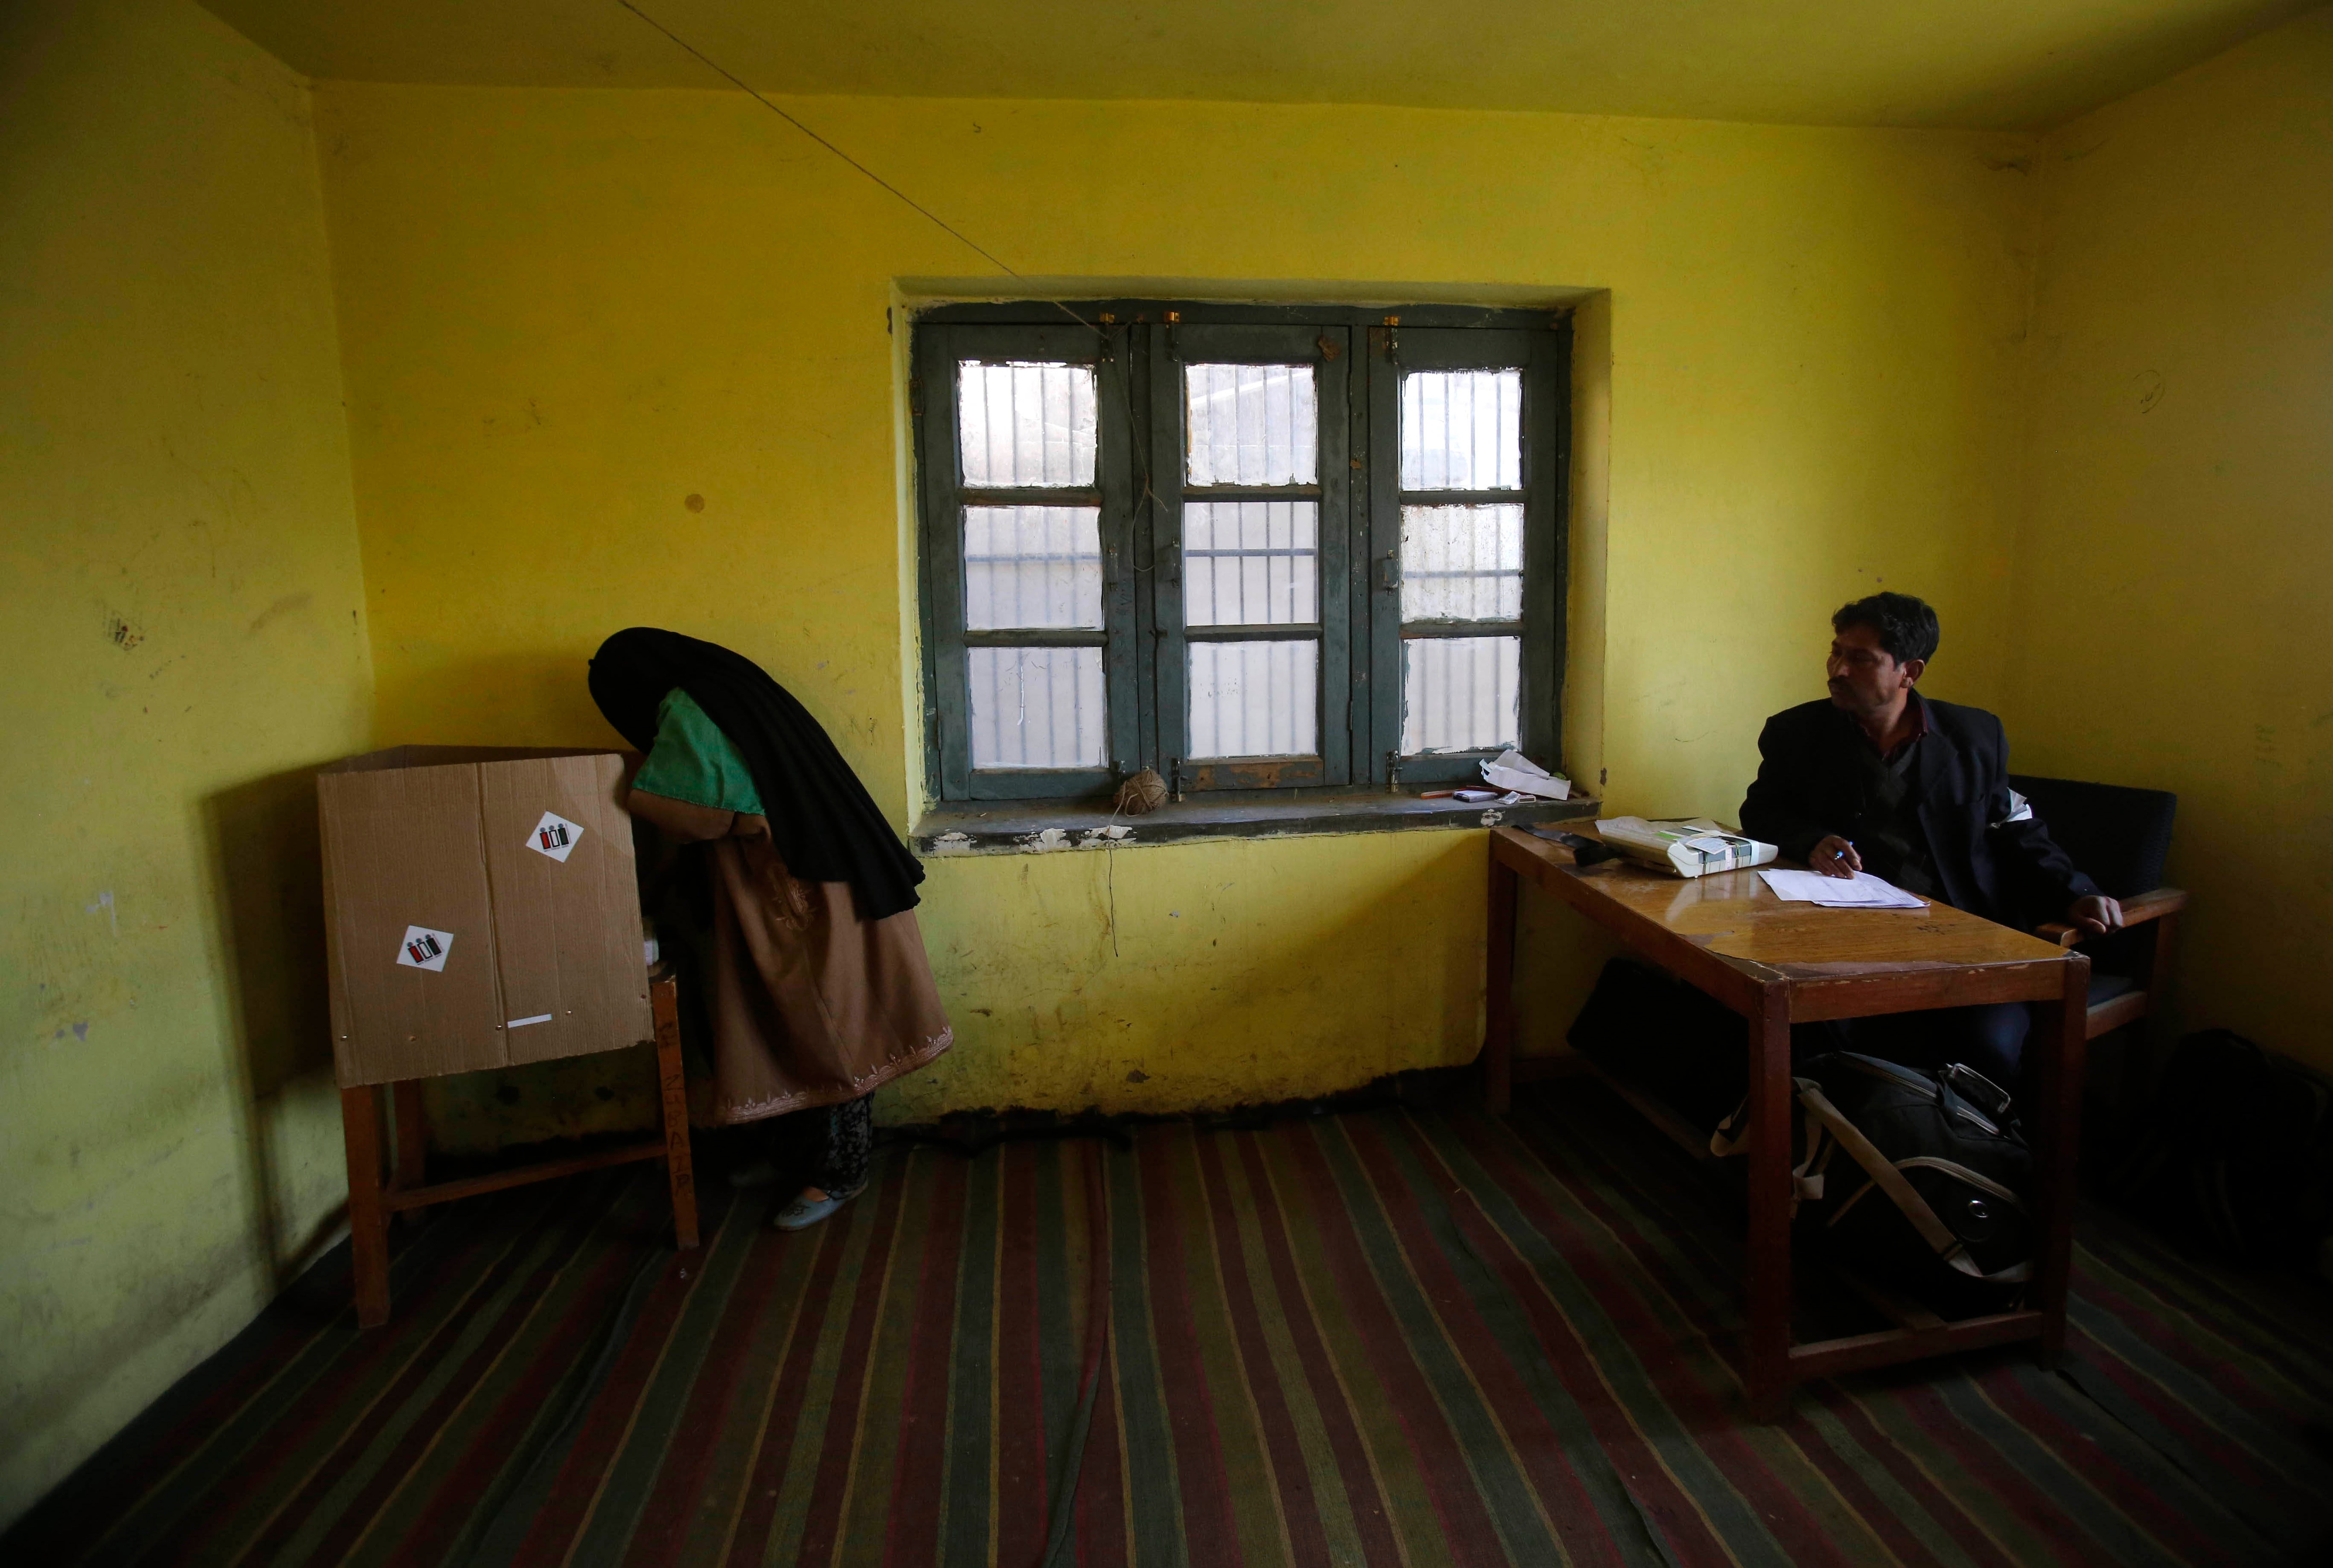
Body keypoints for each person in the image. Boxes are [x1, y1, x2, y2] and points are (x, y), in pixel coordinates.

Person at [589, 627, 951, 1230]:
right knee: (791, 1025)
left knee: (830, 1029)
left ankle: (839, 1171)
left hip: (795, 888)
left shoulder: (691, 703)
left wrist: (616, 789)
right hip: (814, 873)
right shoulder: (734, 691)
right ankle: (799, 1159)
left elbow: (700, 814)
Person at [1739, 592, 2121, 1090]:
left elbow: (2015, 823)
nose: (1836, 668)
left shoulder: (1974, 736)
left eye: (1859, 658)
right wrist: (1809, 838)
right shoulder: (1797, 732)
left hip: (1959, 938)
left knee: (1988, 1046)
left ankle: (1968, 1150)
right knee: (1808, 1038)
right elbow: (1759, 811)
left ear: (1908, 671)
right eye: (1835, 651)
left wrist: (2074, 891)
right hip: (1838, 937)